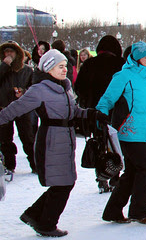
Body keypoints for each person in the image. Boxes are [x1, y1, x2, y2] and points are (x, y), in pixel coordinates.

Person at [0, 49, 106, 237]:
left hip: (66, 138)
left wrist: (90, 113)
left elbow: (73, 112)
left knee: (65, 183)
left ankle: (34, 215)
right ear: (49, 68)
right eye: (60, 66)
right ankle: (46, 223)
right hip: (51, 140)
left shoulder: (65, 87)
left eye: (66, 66)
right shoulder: (38, 90)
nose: (65, 70)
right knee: (63, 184)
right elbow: (14, 109)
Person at [97, 41, 146, 225]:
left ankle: (113, 211)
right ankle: (138, 211)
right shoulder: (123, 76)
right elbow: (107, 100)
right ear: (136, 57)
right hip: (127, 131)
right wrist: (99, 119)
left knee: (132, 172)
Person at [74, 35, 125, 193]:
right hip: (117, 110)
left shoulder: (89, 63)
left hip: (94, 111)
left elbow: (79, 87)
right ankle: (115, 173)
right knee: (116, 142)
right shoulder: (120, 64)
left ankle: (101, 176)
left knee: (100, 142)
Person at [0, 41, 34, 177]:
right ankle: (9, 165)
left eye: (11, 52)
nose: (8, 54)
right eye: (6, 52)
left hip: (22, 109)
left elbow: (33, 88)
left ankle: (35, 164)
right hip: (4, 108)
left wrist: (24, 91)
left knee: (28, 138)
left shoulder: (27, 70)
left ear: (17, 53)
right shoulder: (2, 68)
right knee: (5, 140)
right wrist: (4, 66)